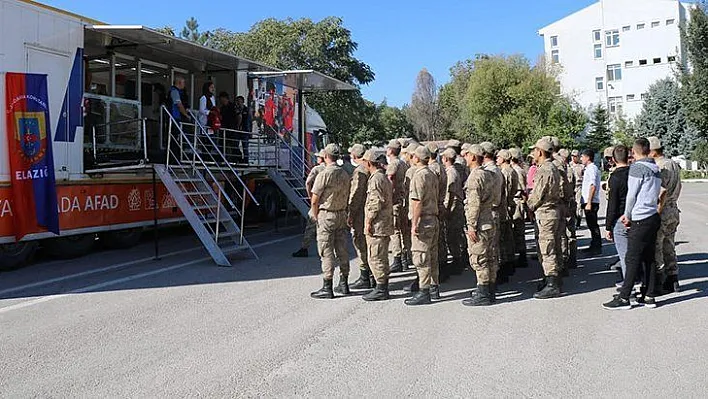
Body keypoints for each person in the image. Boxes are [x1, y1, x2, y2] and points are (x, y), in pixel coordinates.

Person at [603, 138, 662, 310]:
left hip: (640, 217)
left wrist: (627, 215)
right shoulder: (655, 167)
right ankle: (649, 295)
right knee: (649, 257)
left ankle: (624, 298)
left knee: (632, 257)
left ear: (634, 152)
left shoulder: (637, 168)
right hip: (653, 215)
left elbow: (632, 195)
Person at [309, 144, 352, 299]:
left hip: (327, 215)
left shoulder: (324, 174)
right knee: (342, 250)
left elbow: (315, 199)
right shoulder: (345, 174)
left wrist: (315, 215)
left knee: (326, 252)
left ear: (326, 156)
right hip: (341, 214)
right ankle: (344, 283)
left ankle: (327, 286)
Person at [527, 137, 563, 299]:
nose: (533, 153)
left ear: (540, 152)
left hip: (546, 213)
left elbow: (538, 194)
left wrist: (528, 204)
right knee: (553, 246)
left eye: (534, 150)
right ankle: (551, 278)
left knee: (547, 248)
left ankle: (552, 284)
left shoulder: (544, 170)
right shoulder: (553, 167)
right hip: (553, 211)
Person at [462, 144, 497, 306]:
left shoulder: (475, 177)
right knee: (489, 258)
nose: (465, 157)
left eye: (467, 155)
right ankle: (489, 289)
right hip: (489, 220)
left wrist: (471, 225)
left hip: (480, 224)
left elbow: (474, 204)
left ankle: (483, 292)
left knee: (480, 259)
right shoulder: (488, 174)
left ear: (474, 157)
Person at [405, 146, 440, 306]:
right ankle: (434, 287)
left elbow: (417, 202)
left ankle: (424, 291)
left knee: (421, 257)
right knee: (432, 256)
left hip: (423, 220)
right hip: (433, 218)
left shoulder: (419, 176)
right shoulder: (431, 173)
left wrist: (414, 223)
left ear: (417, 158)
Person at [648, 136, 683, 293]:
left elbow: (661, 191)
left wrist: (657, 210)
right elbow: (679, 186)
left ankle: (659, 281)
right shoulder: (673, 164)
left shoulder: (661, 166)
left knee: (658, 246)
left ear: (653, 151)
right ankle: (673, 277)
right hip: (673, 209)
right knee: (669, 244)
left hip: (662, 209)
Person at [361, 149, 394, 301]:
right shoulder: (383, 177)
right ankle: (381, 285)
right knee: (381, 255)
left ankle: (381, 288)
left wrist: (368, 222)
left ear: (369, 162)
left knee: (376, 256)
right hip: (384, 223)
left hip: (378, 224)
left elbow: (375, 202)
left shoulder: (376, 179)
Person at [480, 142, 507, 284]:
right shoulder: (496, 170)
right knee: (493, 247)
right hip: (494, 209)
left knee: (490, 249)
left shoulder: (489, 171)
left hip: (490, 210)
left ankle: (492, 280)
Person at [348, 144, 374, 290]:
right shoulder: (371, 169)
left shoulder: (360, 171)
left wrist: (351, 213)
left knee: (360, 242)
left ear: (354, 156)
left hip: (361, 212)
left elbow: (356, 194)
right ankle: (371, 274)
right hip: (368, 210)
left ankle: (366, 275)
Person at [292, 150, 326, 258]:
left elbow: (308, 182)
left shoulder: (317, 169)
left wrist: (310, 196)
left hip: (318, 200)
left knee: (311, 225)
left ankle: (304, 248)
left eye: (318, 157)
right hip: (329, 203)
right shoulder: (335, 170)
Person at [605, 145, 630, 287]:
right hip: (635, 217)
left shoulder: (615, 177)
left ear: (614, 159)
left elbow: (612, 204)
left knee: (625, 255)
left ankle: (629, 287)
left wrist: (608, 226)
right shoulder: (634, 173)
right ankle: (637, 280)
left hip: (620, 218)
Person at [386, 139, 410, 273]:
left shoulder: (393, 164)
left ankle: (397, 258)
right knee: (403, 229)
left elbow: (390, 181)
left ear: (390, 150)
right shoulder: (403, 163)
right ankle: (405, 257)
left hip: (395, 201)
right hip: (403, 200)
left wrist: (388, 197)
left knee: (395, 230)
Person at [426, 143, 449, 282]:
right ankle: (442, 268)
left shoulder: (432, 169)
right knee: (439, 240)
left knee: (434, 244)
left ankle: (437, 273)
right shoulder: (440, 167)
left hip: (433, 206)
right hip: (439, 204)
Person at [442, 148, 466, 276]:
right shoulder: (453, 171)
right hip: (456, 205)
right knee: (454, 235)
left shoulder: (451, 172)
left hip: (454, 207)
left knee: (453, 235)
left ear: (445, 158)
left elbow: (450, 193)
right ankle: (458, 259)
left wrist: (447, 209)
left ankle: (457, 261)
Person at [497, 149, 519, 280]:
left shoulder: (505, 171)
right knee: (508, 237)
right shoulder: (512, 170)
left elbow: (505, 191)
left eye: (498, 157)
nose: (497, 158)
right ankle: (509, 262)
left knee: (503, 239)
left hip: (504, 207)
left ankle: (505, 265)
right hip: (509, 205)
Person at [509, 147, 529, 268]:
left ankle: (522, 256)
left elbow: (522, 189)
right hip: (515, 201)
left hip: (517, 201)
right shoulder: (516, 170)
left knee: (518, 229)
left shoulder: (517, 171)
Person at [580, 149, 602, 254]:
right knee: (591, 225)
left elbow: (593, 185)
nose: (581, 158)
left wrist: (589, 202)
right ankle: (593, 244)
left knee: (593, 225)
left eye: (582, 156)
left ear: (588, 158)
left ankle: (597, 247)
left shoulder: (592, 168)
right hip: (588, 201)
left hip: (591, 201)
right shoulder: (588, 168)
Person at [570, 150, 584, 228]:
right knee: (572, 205)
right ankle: (573, 220)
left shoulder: (582, 166)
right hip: (571, 187)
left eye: (575, 156)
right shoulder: (569, 166)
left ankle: (578, 221)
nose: (573, 158)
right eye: (572, 156)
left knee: (579, 205)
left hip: (579, 186)